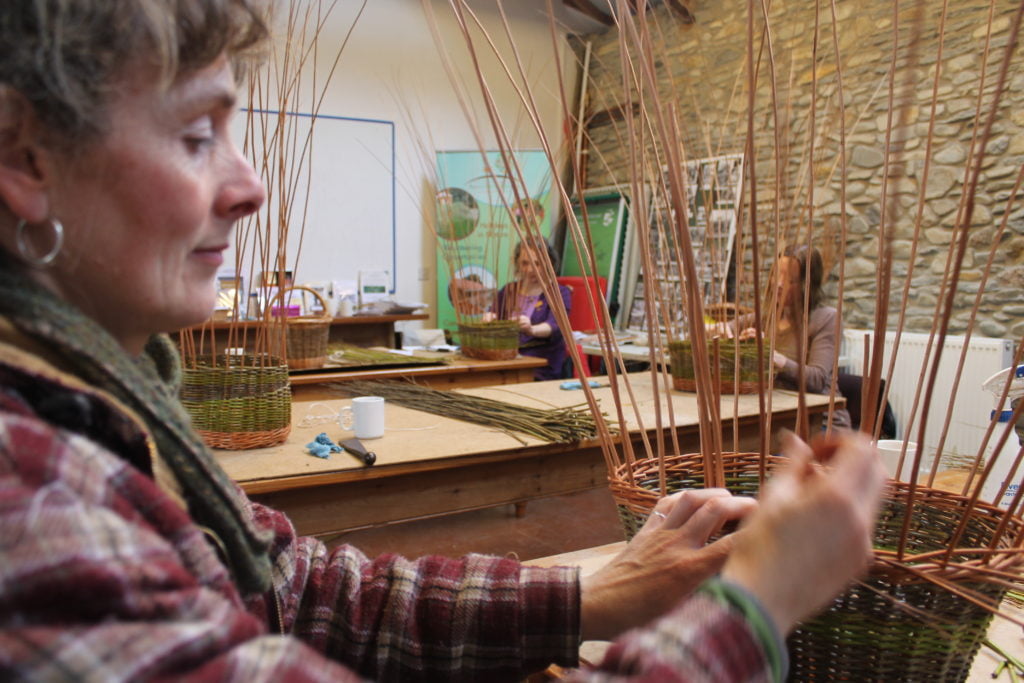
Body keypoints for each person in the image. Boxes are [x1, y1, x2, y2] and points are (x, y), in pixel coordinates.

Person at [0, 2, 884, 680]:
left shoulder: (115, 407)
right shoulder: (32, 510)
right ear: (25, 157)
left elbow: (290, 589)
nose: (250, 184)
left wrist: (600, 591)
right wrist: (753, 607)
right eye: (197, 135)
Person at [715, 245, 852, 430]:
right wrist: (723, 332)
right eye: (776, 275)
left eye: (789, 280)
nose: (778, 284)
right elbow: (721, 327)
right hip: (778, 419)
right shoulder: (766, 317)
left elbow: (817, 379)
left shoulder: (826, 319)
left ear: (807, 284)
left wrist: (772, 357)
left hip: (819, 423)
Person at [483, 236, 572, 380]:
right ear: (517, 264)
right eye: (525, 263)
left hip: (541, 367)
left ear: (550, 263)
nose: (530, 269)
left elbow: (556, 326)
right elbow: (494, 312)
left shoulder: (559, 293)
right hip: (506, 362)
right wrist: (489, 318)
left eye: (537, 264)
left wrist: (531, 329)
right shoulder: (509, 290)